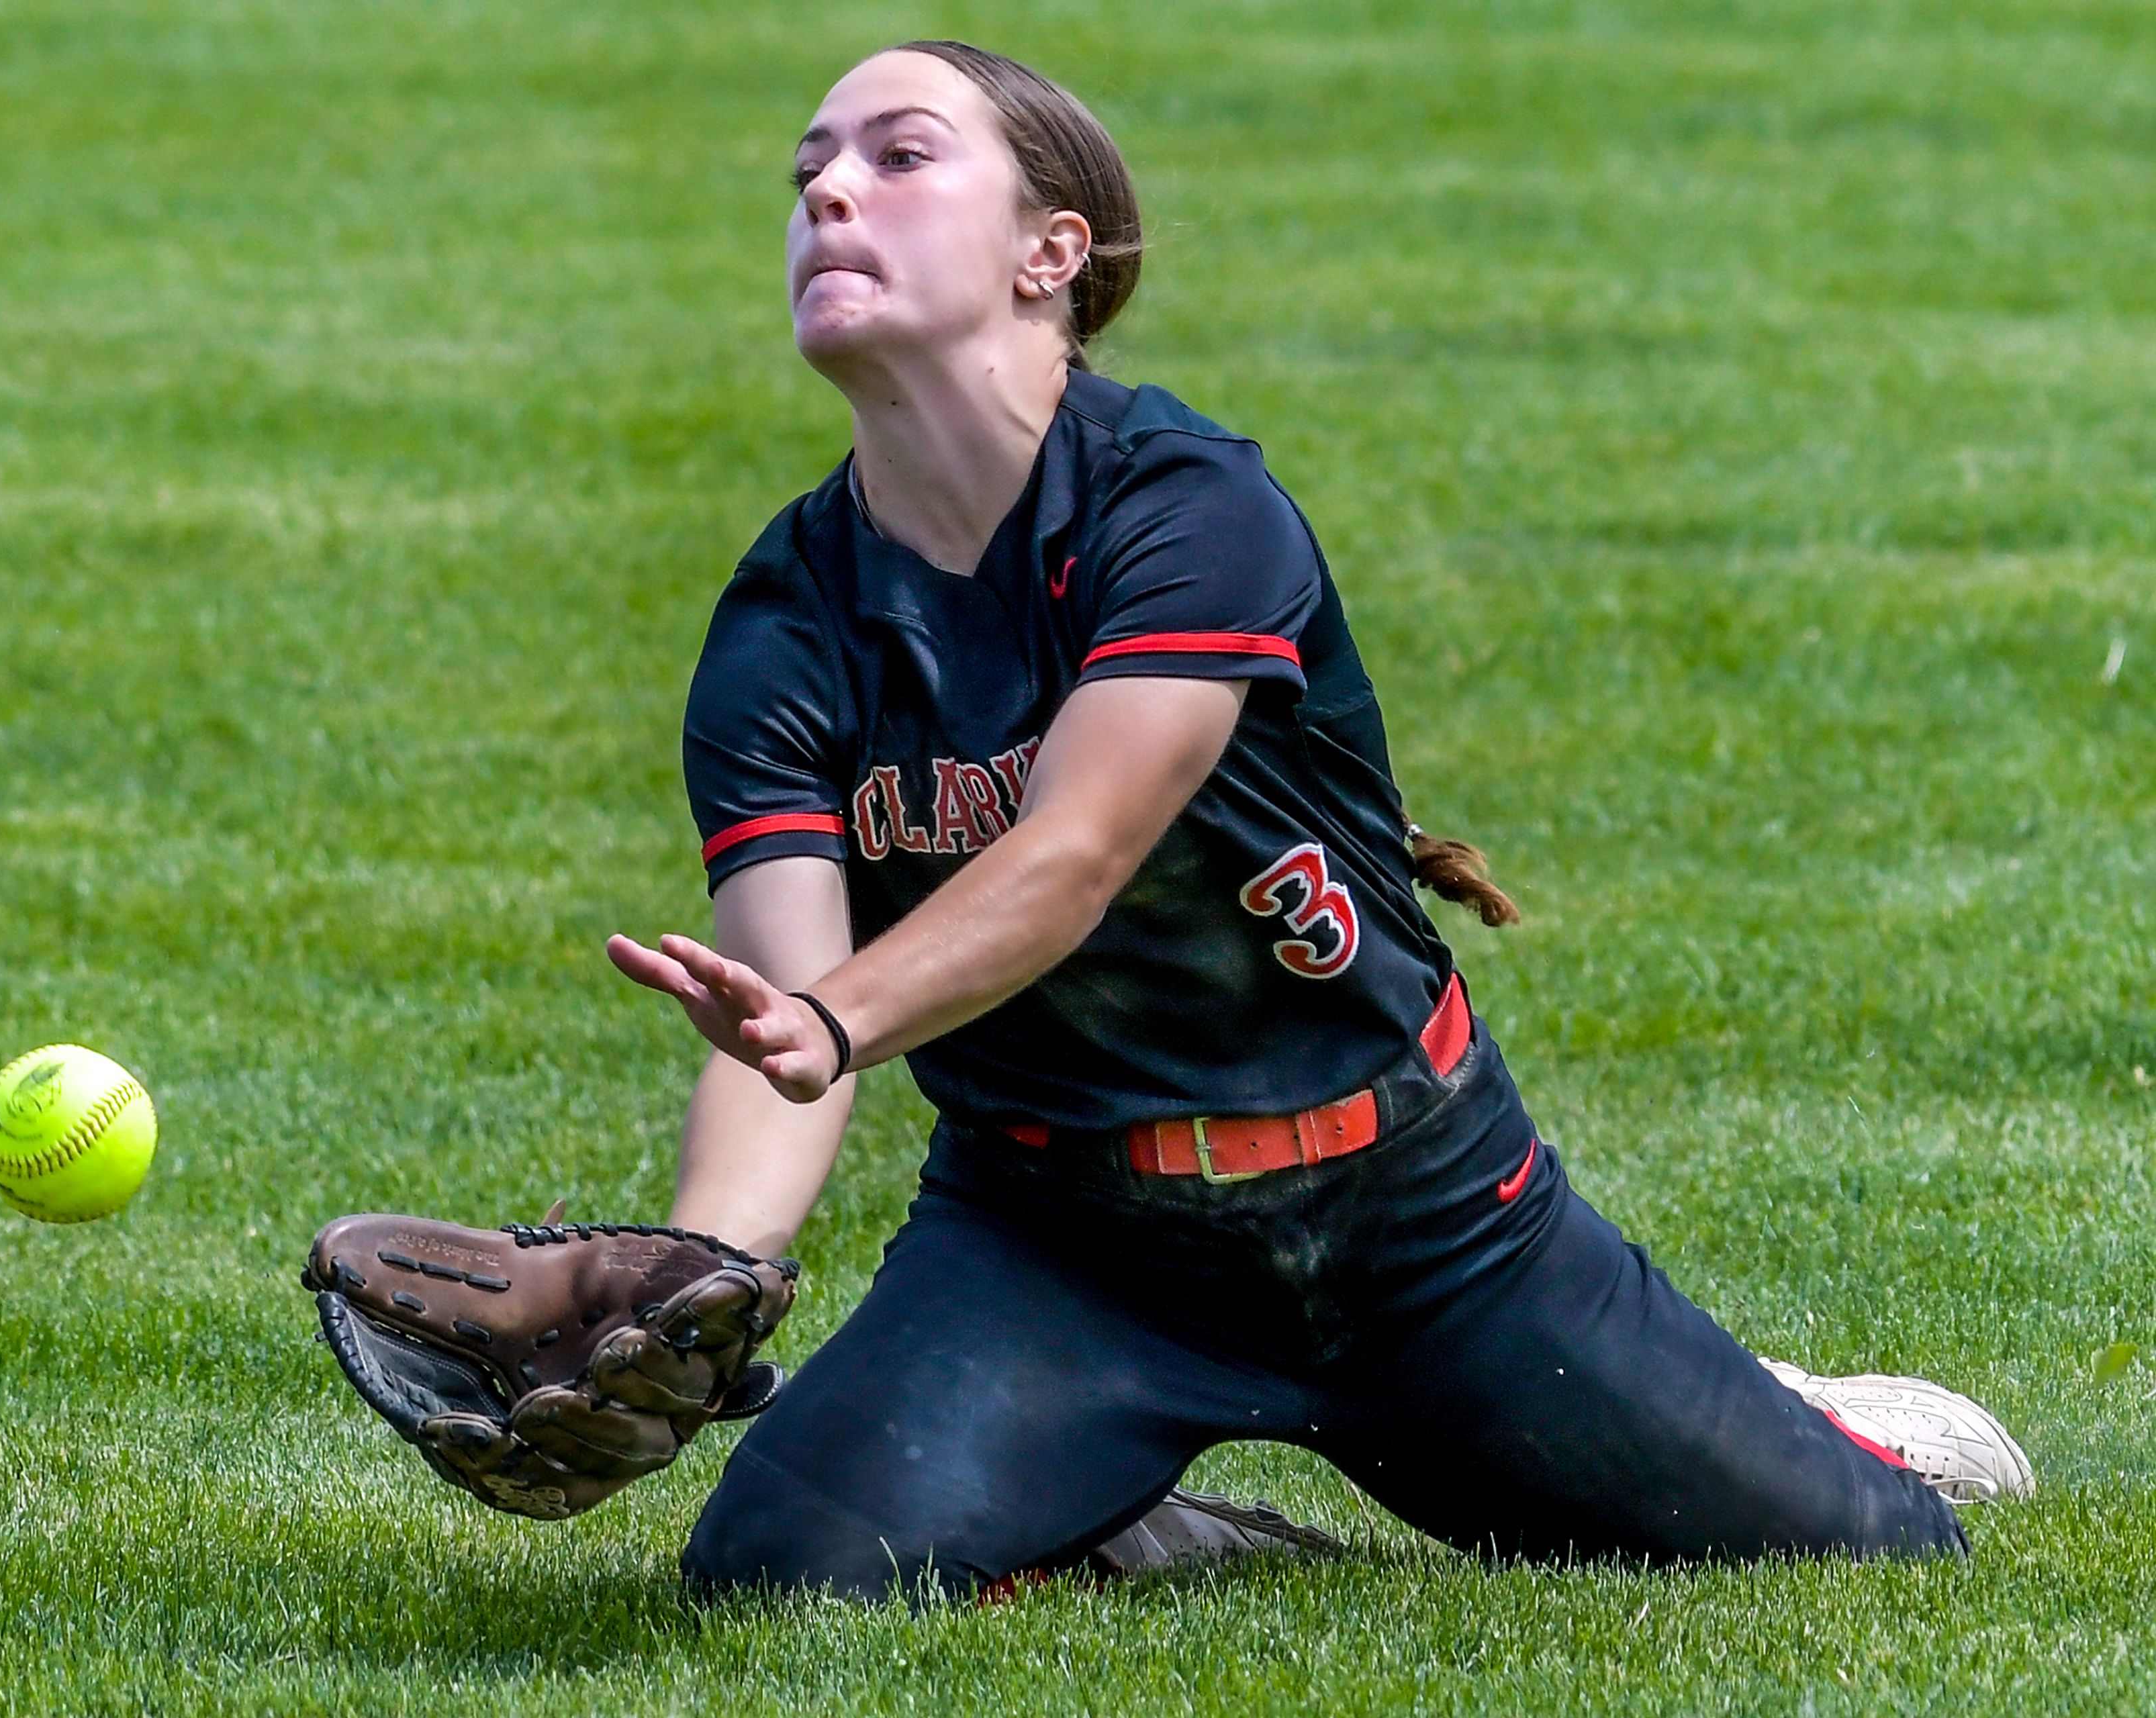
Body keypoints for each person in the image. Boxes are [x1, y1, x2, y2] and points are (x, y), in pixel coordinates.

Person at [604, 40, 2029, 1601]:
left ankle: (1781, 1413)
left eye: (899, 154)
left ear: (1050, 254)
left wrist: (835, 1012)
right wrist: (698, 1278)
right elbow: (781, 1031)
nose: (825, 188)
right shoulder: (786, 625)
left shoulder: (1186, 506)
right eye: (809, 166)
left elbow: (1075, 853)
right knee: (775, 1571)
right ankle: (1116, 1505)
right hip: (1061, 1243)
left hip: (1415, 1217)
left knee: (1873, 1550)